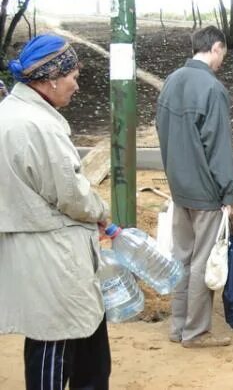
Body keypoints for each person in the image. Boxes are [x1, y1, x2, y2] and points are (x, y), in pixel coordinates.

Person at [0, 34, 111, 389]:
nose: (77, 86)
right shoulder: (37, 125)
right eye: (73, 77)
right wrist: (100, 211)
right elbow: (72, 195)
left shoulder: (12, 113)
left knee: (81, 345)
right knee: (54, 344)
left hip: (40, 251)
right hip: (53, 257)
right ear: (50, 79)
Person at [156, 26, 233, 348]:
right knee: (204, 261)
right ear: (216, 48)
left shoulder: (172, 81)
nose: (221, 62)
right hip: (205, 191)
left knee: (183, 259)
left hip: (179, 187)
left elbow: (162, 131)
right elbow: (217, 146)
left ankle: (179, 327)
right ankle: (196, 332)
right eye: (223, 55)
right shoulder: (212, 88)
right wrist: (227, 192)